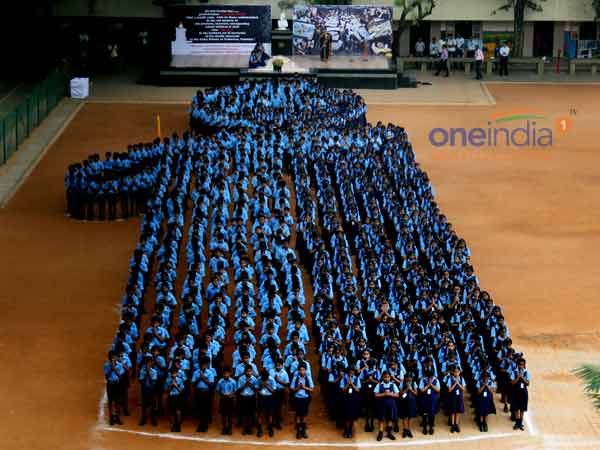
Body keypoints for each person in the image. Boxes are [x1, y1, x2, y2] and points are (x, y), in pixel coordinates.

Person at [290, 363, 313, 439]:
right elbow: (292, 389)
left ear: (306, 370)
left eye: (303, 370)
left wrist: (304, 387)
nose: (302, 371)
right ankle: (298, 431)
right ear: (298, 371)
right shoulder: (295, 378)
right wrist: (298, 388)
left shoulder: (308, 378)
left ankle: (303, 430)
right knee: (298, 415)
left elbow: (312, 389)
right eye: (300, 370)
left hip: (305, 398)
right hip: (297, 398)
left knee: (304, 415)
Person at [374, 371, 399, 441]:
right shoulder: (379, 385)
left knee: (390, 418)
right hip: (382, 404)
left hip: (391, 404)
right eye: (385, 377)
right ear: (382, 377)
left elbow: (397, 395)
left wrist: (390, 394)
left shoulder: (393, 384)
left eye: (388, 377)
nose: (387, 378)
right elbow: (375, 395)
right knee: (381, 419)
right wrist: (384, 394)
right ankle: (380, 433)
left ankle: (389, 433)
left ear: (390, 377)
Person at [192, 356, 215, 432]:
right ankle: (201, 424)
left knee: (206, 409)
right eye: (202, 364)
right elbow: (193, 384)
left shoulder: (210, 373)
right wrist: (199, 378)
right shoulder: (196, 373)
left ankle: (205, 425)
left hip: (206, 393)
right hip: (198, 392)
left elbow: (211, 385)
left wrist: (203, 378)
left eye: (205, 364)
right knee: (199, 409)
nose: (204, 366)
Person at [340, 366, 361, 438]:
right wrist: (348, 384)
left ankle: (350, 430)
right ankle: (346, 429)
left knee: (352, 415)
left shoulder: (357, 378)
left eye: (352, 371)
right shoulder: (344, 378)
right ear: (348, 371)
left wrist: (352, 384)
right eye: (350, 371)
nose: (351, 372)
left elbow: (358, 390)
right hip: (346, 398)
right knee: (346, 415)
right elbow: (342, 390)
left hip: (354, 399)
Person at [104, 350, 124, 425]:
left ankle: (118, 417)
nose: (113, 359)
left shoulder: (119, 365)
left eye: (114, 357)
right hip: (110, 384)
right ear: (109, 358)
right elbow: (107, 377)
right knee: (110, 401)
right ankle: (111, 418)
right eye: (111, 357)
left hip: (117, 384)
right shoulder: (106, 365)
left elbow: (120, 376)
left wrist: (114, 368)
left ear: (116, 357)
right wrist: (111, 369)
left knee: (117, 401)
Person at [510, 357, 530, 431]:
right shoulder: (514, 372)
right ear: (517, 365)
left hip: (523, 393)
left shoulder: (526, 373)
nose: (521, 366)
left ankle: (520, 423)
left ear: (524, 365)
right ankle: (517, 422)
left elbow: (528, 383)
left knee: (522, 408)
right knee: (515, 408)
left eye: (522, 365)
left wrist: (522, 377)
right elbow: (512, 383)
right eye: (520, 364)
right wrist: (518, 377)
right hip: (515, 392)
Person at [216, 366, 237, 435]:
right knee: (223, 415)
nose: (226, 375)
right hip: (223, 399)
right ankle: (224, 428)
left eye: (227, 373)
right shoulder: (220, 382)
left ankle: (230, 428)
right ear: (222, 374)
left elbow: (235, 391)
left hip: (230, 400)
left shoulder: (233, 382)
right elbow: (218, 390)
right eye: (224, 373)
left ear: (230, 373)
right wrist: (222, 394)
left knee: (230, 415)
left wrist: (231, 394)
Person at [237, 364, 258, 435]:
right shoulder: (240, 379)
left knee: (251, 413)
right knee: (244, 414)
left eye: (250, 371)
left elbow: (256, 390)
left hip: (251, 398)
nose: (249, 373)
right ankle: (244, 428)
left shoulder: (254, 379)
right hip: (243, 398)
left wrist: (250, 385)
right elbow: (238, 390)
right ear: (245, 371)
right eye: (247, 371)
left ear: (252, 372)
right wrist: (245, 385)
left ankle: (249, 428)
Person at [256, 368, 276, 437]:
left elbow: (274, 391)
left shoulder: (272, 380)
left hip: (269, 398)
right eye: (263, 378)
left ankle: (270, 428)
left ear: (267, 376)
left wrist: (267, 386)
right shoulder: (259, 379)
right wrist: (261, 386)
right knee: (260, 414)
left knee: (270, 414)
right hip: (261, 397)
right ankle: (259, 429)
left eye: (265, 378)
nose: (264, 379)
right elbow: (256, 390)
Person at [418, 369, 440, 435]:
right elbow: (422, 390)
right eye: (429, 377)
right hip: (424, 400)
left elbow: (438, 390)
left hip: (433, 401)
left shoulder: (436, 380)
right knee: (425, 414)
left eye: (431, 377)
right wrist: (428, 385)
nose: (430, 378)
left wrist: (431, 385)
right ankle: (424, 428)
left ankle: (431, 428)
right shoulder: (423, 380)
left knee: (432, 415)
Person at [445, 366, 466, 433]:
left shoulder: (462, 379)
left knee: (458, 411)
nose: (457, 373)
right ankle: (453, 425)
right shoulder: (450, 379)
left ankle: (456, 424)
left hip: (459, 397)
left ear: (459, 372)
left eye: (458, 372)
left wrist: (458, 383)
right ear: (453, 372)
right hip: (452, 397)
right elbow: (449, 390)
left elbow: (463, 389)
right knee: (453, 411)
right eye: (455, 372)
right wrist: (455, 383)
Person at [398, 372, 418, 438]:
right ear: (405, 378)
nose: (409, 379)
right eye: (407, 377)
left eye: (410, 377)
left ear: (412, 378)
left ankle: (409, 430)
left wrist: (411, 389)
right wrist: (407, 388)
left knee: (410, 416)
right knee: (404, 416)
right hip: (404, 402)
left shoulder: (414, 383)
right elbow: (400, 394)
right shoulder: (402, 383)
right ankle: (405, 430)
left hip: (412, 402)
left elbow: (416, 394)